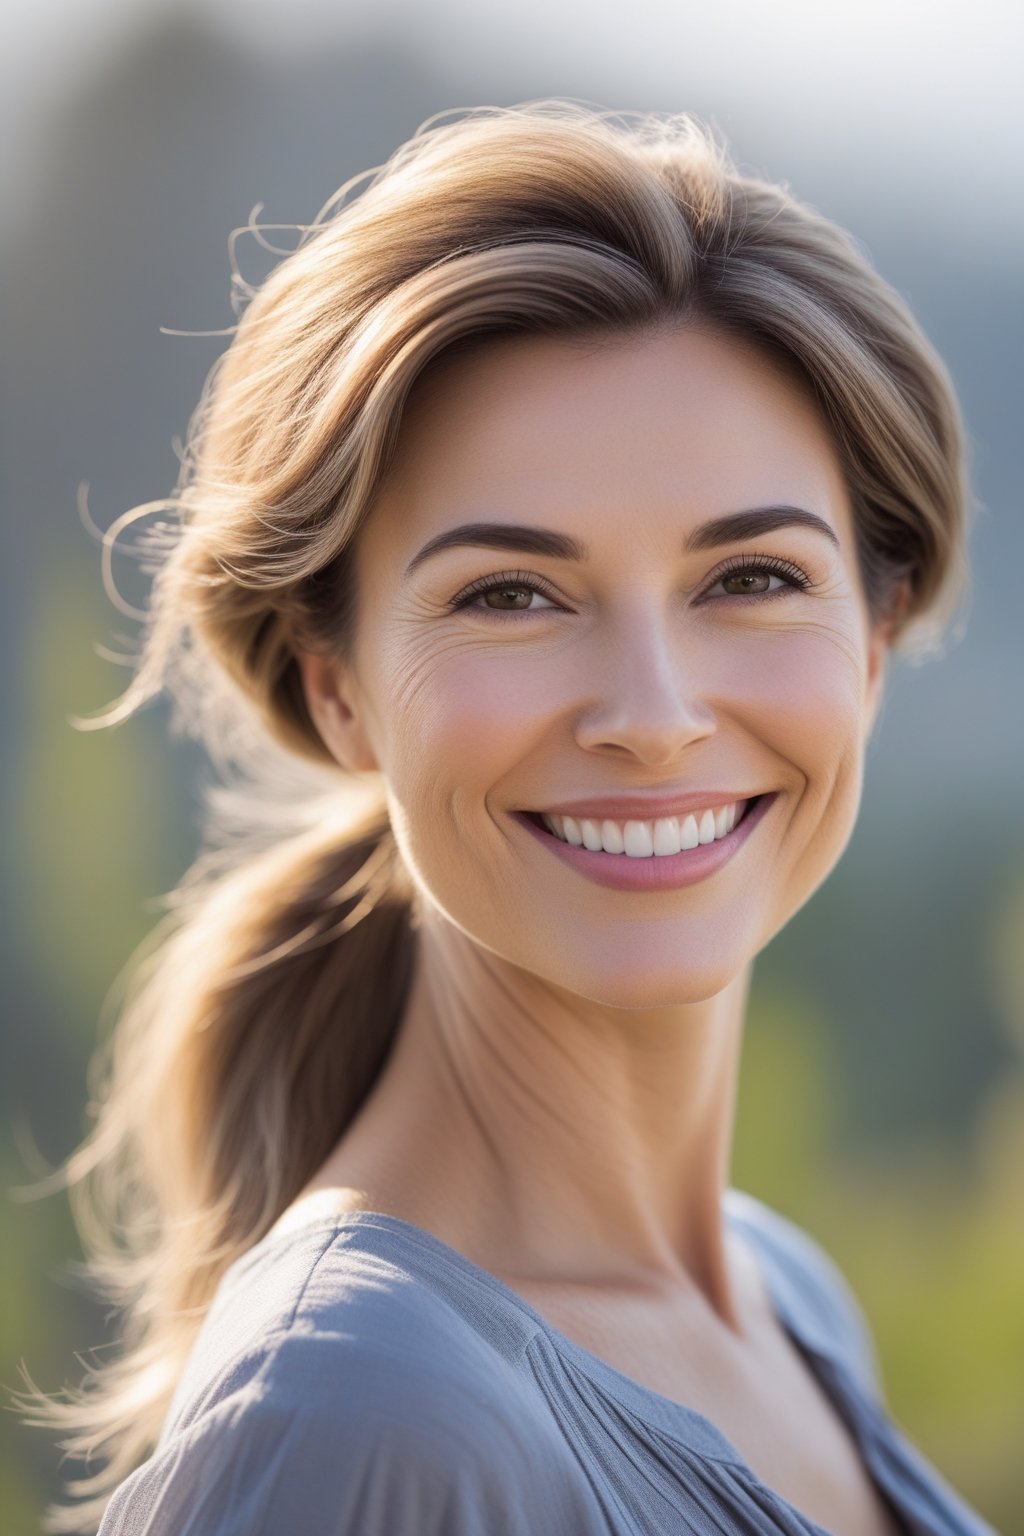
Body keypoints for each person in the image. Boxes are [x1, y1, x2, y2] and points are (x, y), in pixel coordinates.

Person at [19, 103, 996, 1535]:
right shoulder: (353, 1412)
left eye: (752, 578)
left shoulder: (785, 1300)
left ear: (874, 633)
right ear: (338, 688)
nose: (652, 715)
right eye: (511, 595)